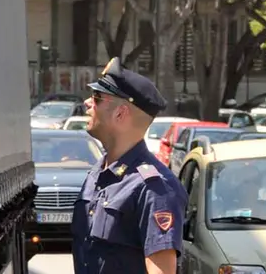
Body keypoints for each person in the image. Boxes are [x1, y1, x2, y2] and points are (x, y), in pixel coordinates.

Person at [72, 57, 188, 274]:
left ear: (120, 113)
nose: (88, 103)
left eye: (97, 97)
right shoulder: (97, 174)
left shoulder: (155, 189)